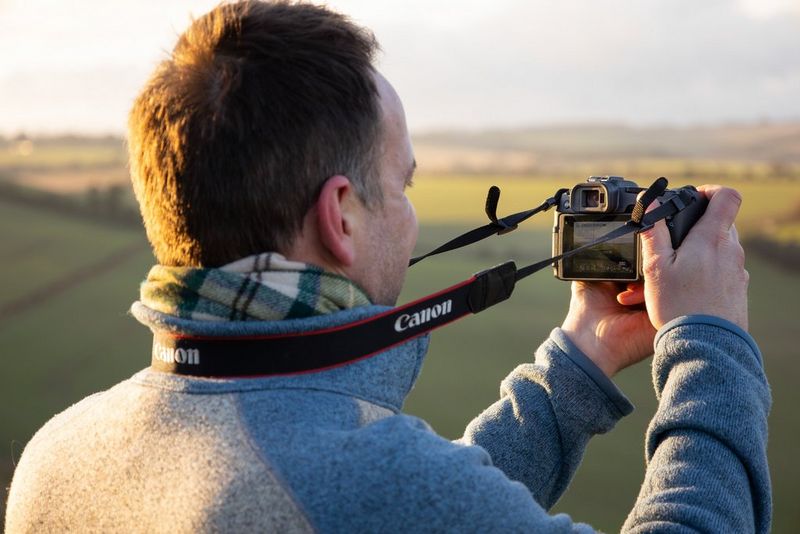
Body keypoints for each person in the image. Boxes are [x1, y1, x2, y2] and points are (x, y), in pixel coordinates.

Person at [5, 1, 770, 532]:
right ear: (340, 215)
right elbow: (374, 499)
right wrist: (708, 342)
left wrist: (582, 359)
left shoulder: (58, 457)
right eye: (401, 184)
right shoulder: (351, 482)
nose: (408, 211)